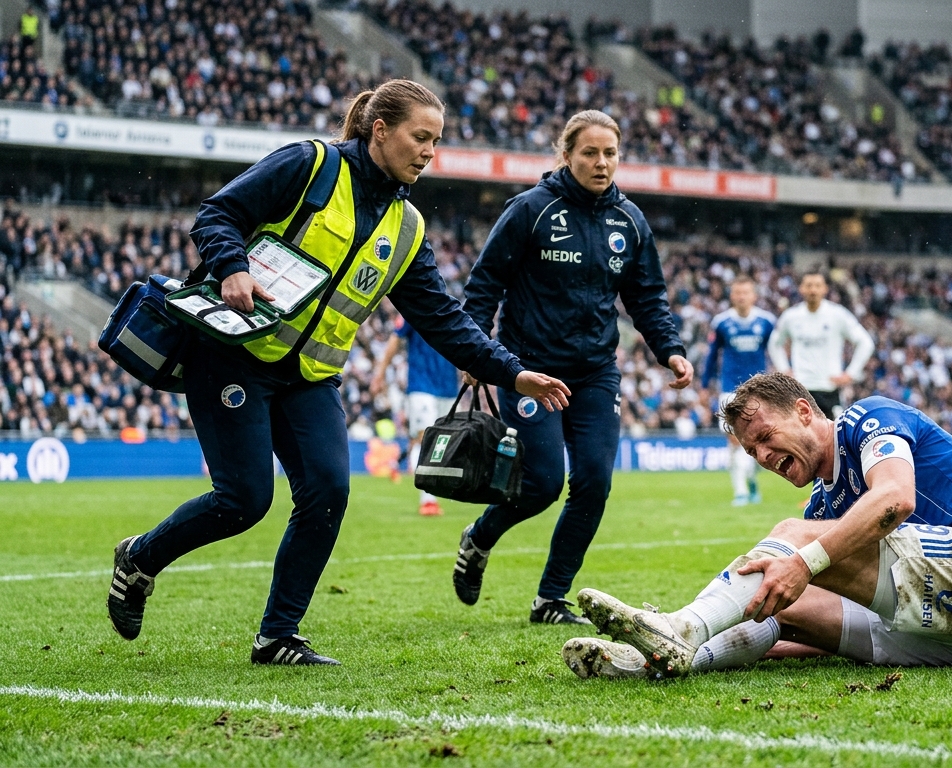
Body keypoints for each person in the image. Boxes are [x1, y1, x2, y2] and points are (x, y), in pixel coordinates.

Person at [104, 80, 571, 666]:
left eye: (437, 142)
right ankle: (140, 559)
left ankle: (278, 636)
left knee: (328, 491)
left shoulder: (408, 228)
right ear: (380, 130)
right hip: (233, 356)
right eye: (419, 137)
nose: (429, 152)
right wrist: (231, 268)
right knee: (244, 500)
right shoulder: (311, 164)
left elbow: (444, 319)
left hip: (311, 378)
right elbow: (217, 212)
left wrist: (512, 373)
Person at [562, 372, 952, 680]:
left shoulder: (867, 418)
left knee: (789, 546)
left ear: (804, 411)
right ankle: (659, 658)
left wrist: (803, 559)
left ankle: (681, 626)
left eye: (766, 437)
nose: (764, 457)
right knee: (772, 597)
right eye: (752, 453)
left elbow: (895, 498)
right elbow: (793, 618)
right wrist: (752, 633)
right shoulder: (823, 508)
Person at [455, 109, 692, 625]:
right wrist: (475, 355)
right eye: (590, 152)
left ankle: (550, 600)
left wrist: (669, 349)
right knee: (540, 483)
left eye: (610, 153)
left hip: (595, 373)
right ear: (566, 155)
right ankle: (478, 538)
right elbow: (484, 282)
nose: (602, 162)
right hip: (528, 369)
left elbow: (647, 296)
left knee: (593, 482)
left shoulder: (629, 221)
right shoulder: (530, 210)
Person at [371, 316, 459, 516]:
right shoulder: (414, 306)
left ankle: (437, 487)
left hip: (448, 387)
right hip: (421, 384)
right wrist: (380, 372)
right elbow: (395, 338)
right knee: (424, 437)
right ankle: (428, 499)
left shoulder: (451, 308)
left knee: (442, 439)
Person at [702, 274, 775, 506]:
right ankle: (741, 491)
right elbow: (712, 357)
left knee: (756, 443)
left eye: (745, 293)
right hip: (729, 390)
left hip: (759, 392)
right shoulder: (722, 322)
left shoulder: (767, 322)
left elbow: (776, 352)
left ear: (753, 296)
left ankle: (751, 480)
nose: (741, 297)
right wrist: (705, 386)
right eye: (737, 293)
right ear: (732, 296)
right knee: (734, 440)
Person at [768, 270, 874, 418]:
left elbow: (865, 342)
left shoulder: (838, 315)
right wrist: (784, 369)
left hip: (829, 388)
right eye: (809, 285)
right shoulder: (791, 317)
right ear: (801, 288)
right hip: (800, 388)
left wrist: (851, 373)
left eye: (818, 285)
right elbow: (774, 343)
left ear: (825, 289)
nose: (813, 290)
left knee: (832, 438)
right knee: (801, 438)